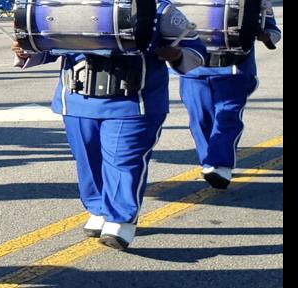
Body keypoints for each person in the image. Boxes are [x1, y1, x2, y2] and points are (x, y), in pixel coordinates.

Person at [12, 1, 207, 249]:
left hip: (133, 103)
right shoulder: (64, 5)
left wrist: (178, 54)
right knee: (87, 158)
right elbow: (49, 46)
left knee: (122, 159)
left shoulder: (160, 10)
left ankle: (120, 220)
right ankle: (98, 208)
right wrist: (25, 51)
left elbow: (196, 49)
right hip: (77, 101)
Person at [179, 0, 279, 188]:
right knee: (199, 119)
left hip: (233, 69)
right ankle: (209, 161)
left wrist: (265, 36)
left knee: (227, 116)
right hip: (194, 70)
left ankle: (220, 165)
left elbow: (273, 29)